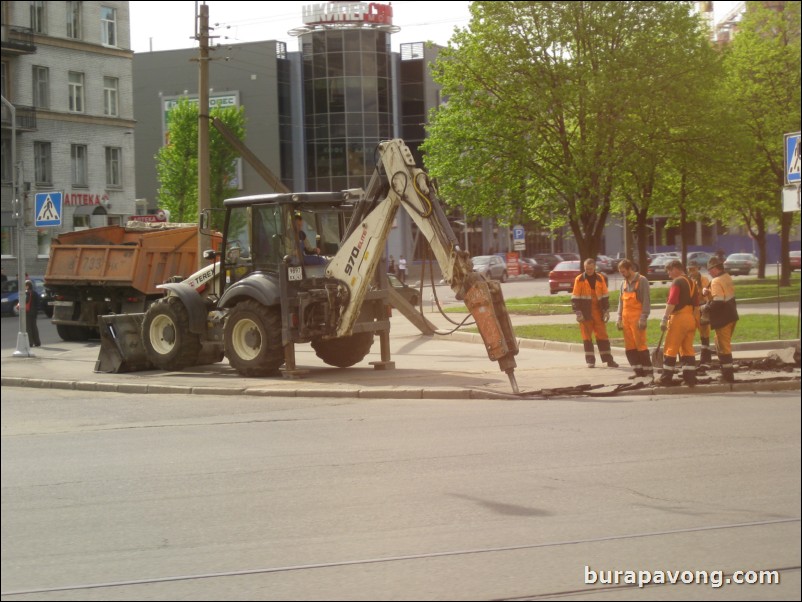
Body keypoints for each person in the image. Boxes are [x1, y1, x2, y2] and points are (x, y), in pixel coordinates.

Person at [571, 258, 618, 368]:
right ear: (584, 267)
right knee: (587, 337)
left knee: (603, 336)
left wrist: (606, 311)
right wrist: (578, 312)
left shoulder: (600, 278)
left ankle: (608, 360)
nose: (589, 271)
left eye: (591, 269)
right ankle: (590, 361)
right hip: (585, 313)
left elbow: (605, 296)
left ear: (595, 267)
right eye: (587, 269)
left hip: (598, 312)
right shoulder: (579, 279)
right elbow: (575, 297)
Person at [658, 260, 699, 386]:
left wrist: (664, 318)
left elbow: (672, 302)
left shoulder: (677, 281)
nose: (669, 274)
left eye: (669, 271)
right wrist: (696, 321)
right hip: (690, 318)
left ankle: (665, 378)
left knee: (671, 347)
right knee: (687, 349)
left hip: (679, 318)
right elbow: (697, 305)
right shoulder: (692, 282)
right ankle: (690, 378)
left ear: (676, 268)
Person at [703, 255, 739, 383]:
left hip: (723, 319)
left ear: (715, 268)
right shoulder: (726, 277)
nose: (709, 272)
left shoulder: (716, 281)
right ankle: (725, 373)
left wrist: (706, 308)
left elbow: (718, 301)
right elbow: (723, 294)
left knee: (724, 347)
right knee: (719, 344)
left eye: (709, 270)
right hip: (732, 316)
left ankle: (728, 376)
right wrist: (708, 292)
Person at [616, 259, 652, 379]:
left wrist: (643, 318)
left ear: (630, 268)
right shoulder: (623, 284)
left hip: (637, 318)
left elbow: (646, 300)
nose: (622, 274)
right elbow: (620, 302)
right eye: (620, 272)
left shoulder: (642, 280)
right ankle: (637, 371)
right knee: (630, 346)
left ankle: (647, 371)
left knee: (640, 345)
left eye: (623, 271)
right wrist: (619, 318)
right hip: (626, 319)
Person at [687, 260, 712, 369]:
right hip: (690, 310)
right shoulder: (687, 280)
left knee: (704, 335)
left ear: (698, 269)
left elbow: (707, 295)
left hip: (702, 309)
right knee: (689, 334)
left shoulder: (704, 280)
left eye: (693, 269)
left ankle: (705, 359)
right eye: (689, 269)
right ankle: (688, 359)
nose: (691, 272)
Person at [21, 280, 42, 347]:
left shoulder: (27, 293)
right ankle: (37, 342)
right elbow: (38, 303)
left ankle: (30, 342)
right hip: (34, 313)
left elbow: (25, 302)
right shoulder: (35, 293)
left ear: (27, 286)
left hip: (28, 312)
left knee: (28, 328)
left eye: (25, 286)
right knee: (34, 327)